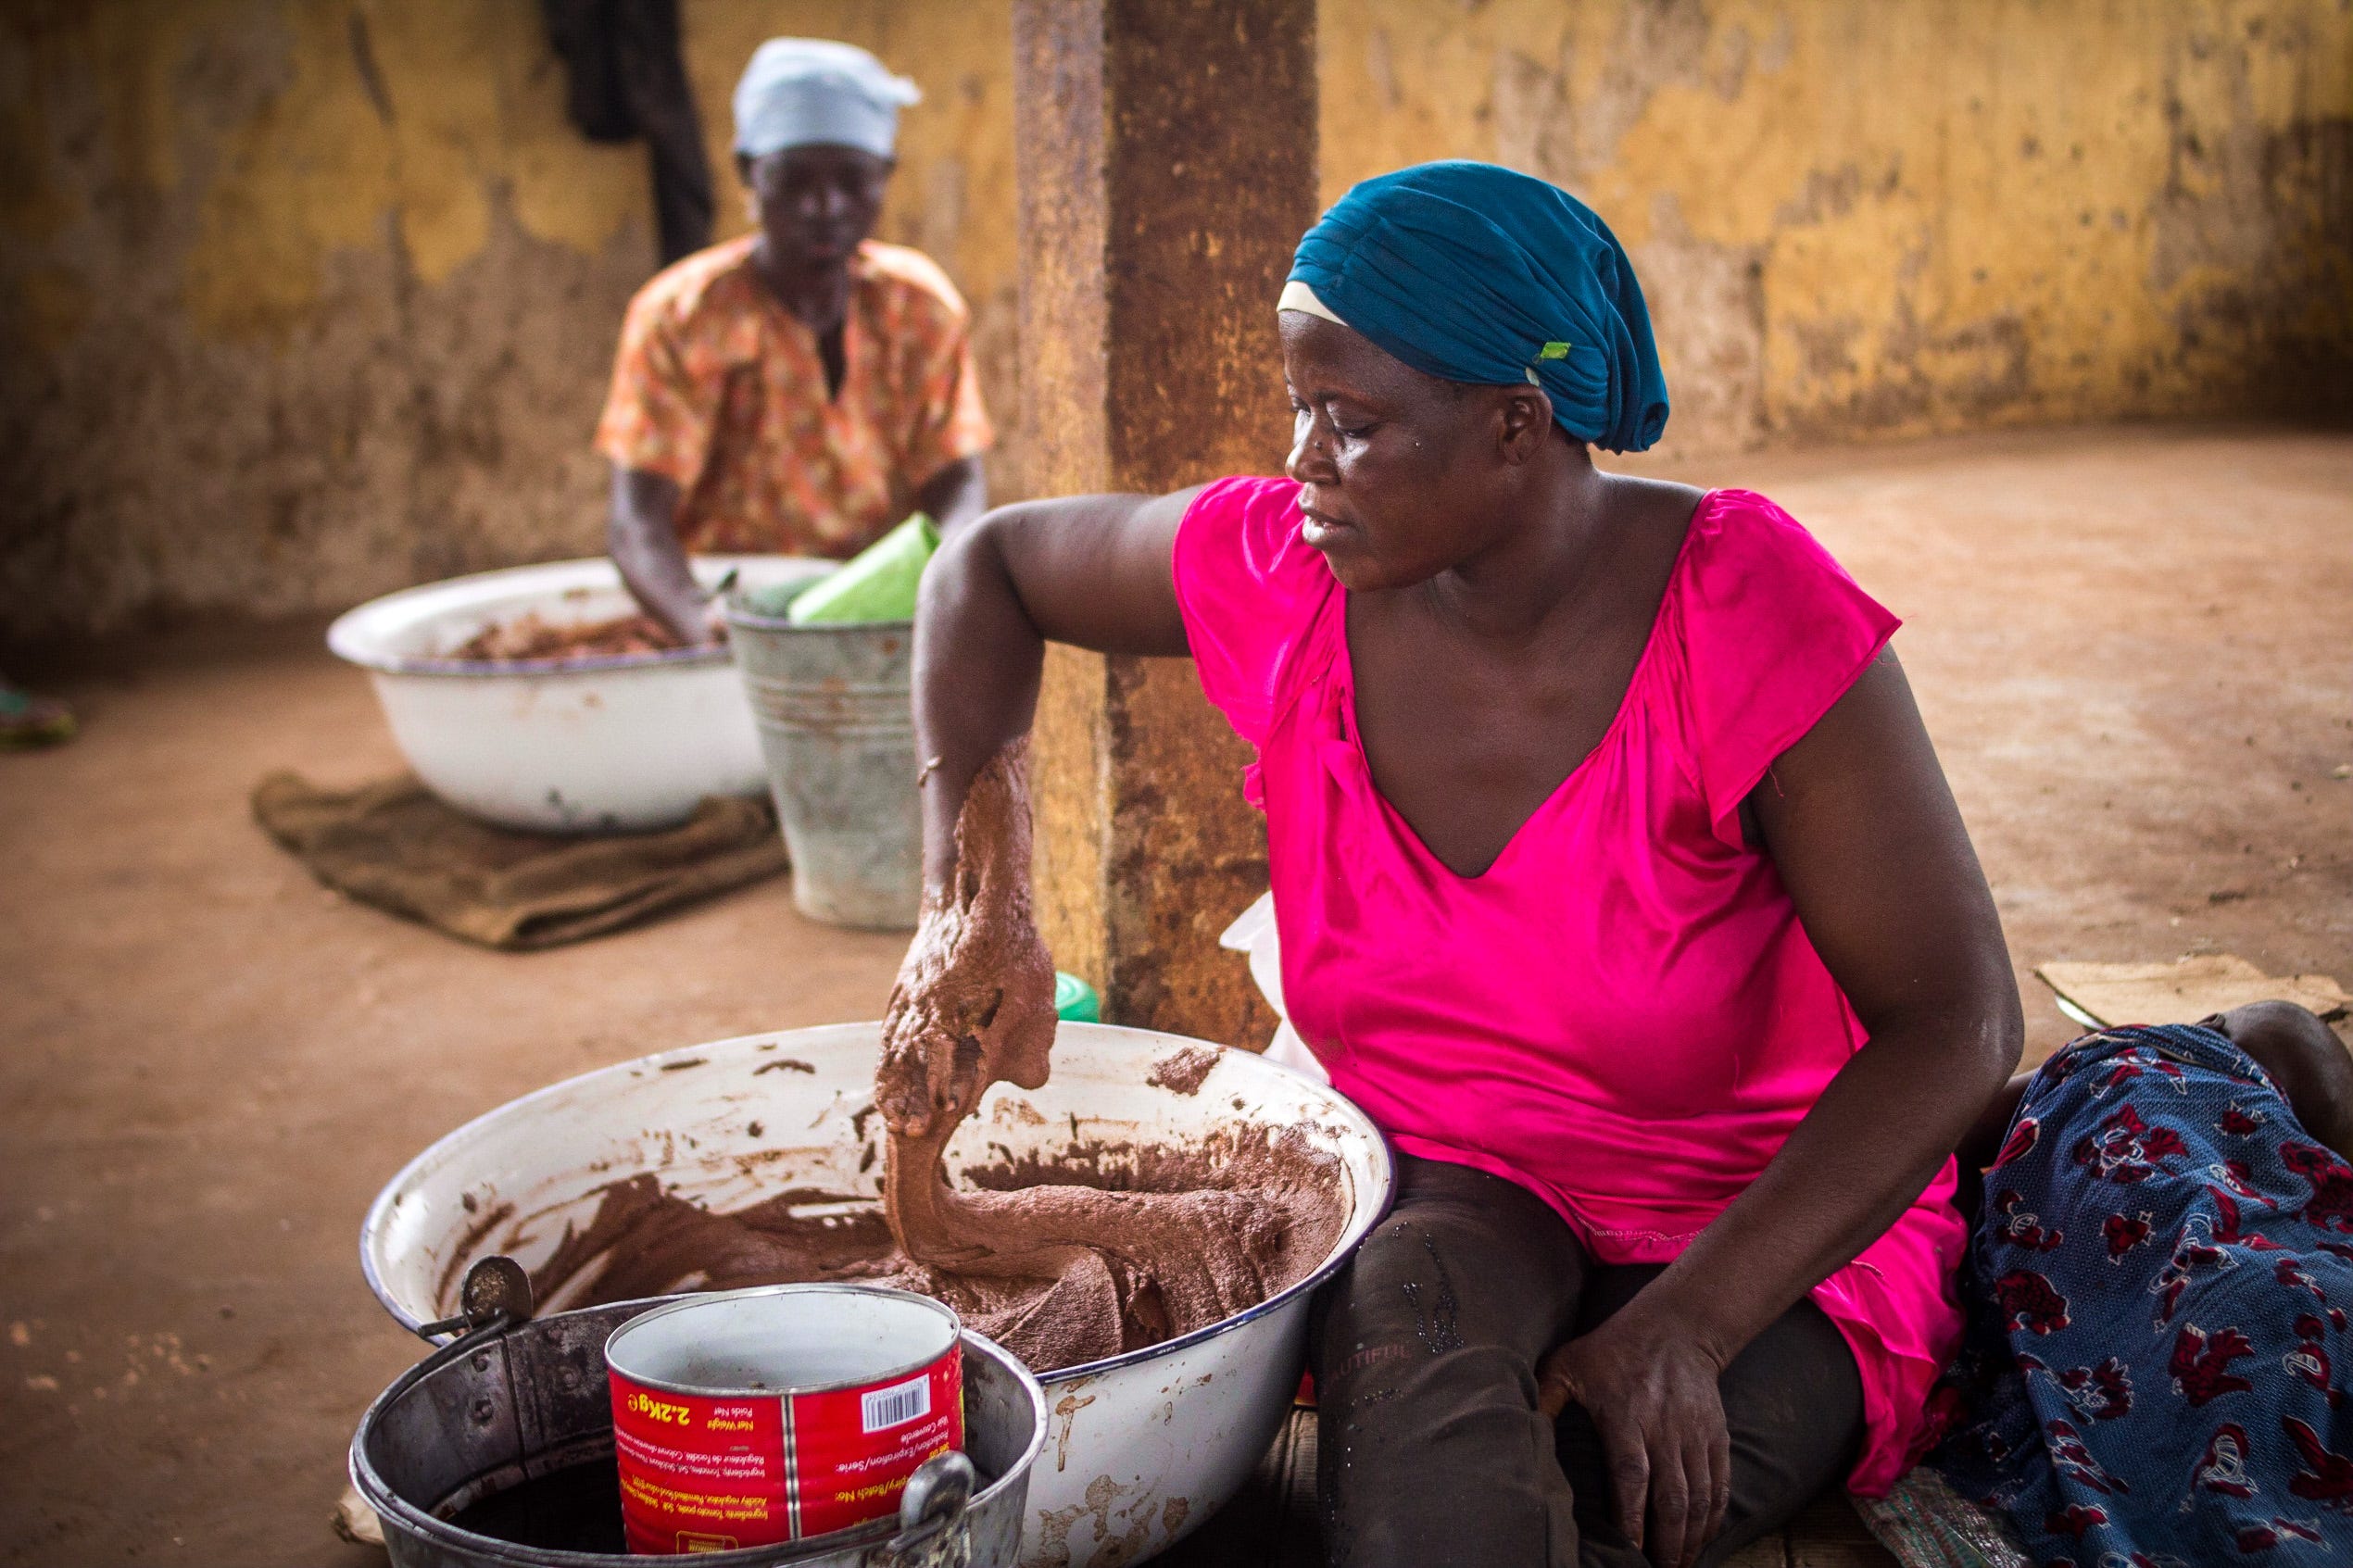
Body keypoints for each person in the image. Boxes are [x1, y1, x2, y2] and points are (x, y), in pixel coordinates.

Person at [895, 160, 2023, 1567]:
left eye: (1351, 423)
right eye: (1301, 407)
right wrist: (973, 903)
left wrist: (1687, 1324)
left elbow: (1957, 1018)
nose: (1301, 458)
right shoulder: (1290, 578)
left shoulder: (1736, 605)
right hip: (1467, 1177)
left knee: (1612, 1484)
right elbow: (985, 571)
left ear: (1516, 425)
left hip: (1763, 1211)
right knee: (1424, 1493)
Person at [596, 38, 993, 643]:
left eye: (853, 180)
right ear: (747, 172)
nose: (824, 206)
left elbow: (958, 480)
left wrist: (937, 580)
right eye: (793, 180)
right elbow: (637, 520)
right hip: (725, 610)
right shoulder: (681, 317)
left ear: (886, 178)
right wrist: (700, 621)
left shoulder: (919, 308)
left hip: (875, 616)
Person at [1930, 1000, 2353, 1562]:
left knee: (2255, 1302)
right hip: (2215, 1254)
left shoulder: (2085, 1070)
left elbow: (1936, 1147)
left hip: (2185, 1243)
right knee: (2270, 1299)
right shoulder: (2115, 1065)